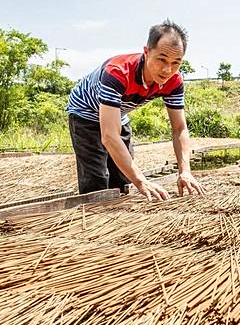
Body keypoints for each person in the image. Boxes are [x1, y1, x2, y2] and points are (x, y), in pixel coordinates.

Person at [67, 20, 205, 201]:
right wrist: (142, 181)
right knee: (97, 181)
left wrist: (185, 171)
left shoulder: (174, 81)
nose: (167, 69)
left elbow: (179, 128)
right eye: (161, 59)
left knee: (123, 179)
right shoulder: (117, 72)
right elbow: (109, 136)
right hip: (85, 112)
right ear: (147, 52)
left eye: (175, 62)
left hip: (119, 113)